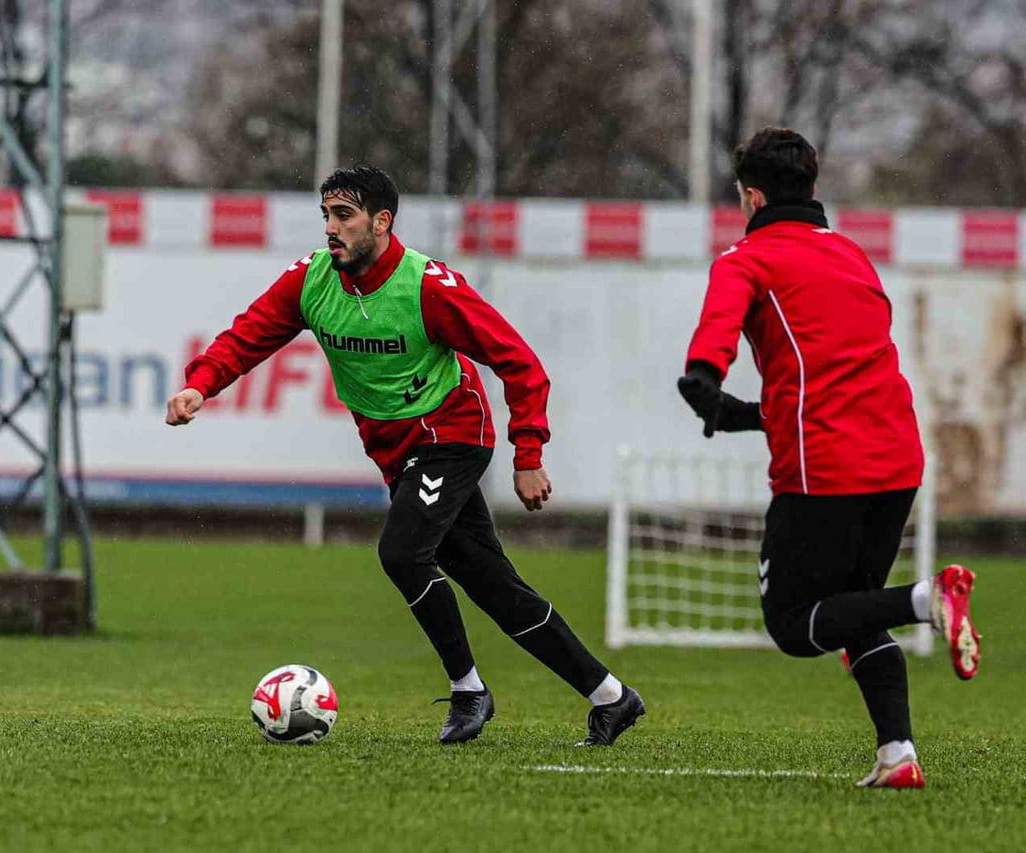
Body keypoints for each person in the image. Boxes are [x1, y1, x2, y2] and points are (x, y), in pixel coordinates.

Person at [167, 165, 643, 746]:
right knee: (492, 585)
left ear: (382, 222)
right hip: (397, 454)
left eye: (344, 216)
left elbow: (519, 362)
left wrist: (528, 453)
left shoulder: (428, 287)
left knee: (400, 552)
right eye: (326, 217)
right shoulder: (311, 282)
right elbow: (249, 334)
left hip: (452, 435)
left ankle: (469, 691)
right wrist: (201, 384)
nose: (331, 229)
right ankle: (610, 696)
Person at [677, 127, 981, 788]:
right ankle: (897, 754)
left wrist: (702, 375)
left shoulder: (746, 258)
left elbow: (719, 327)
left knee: (793, 623)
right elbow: (834, 366)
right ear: (811, 189)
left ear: (751, 196)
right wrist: (749, 415)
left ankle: (929, 597)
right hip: (897, 456)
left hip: (827, 469)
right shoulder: (851, 255)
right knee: (856, 606)